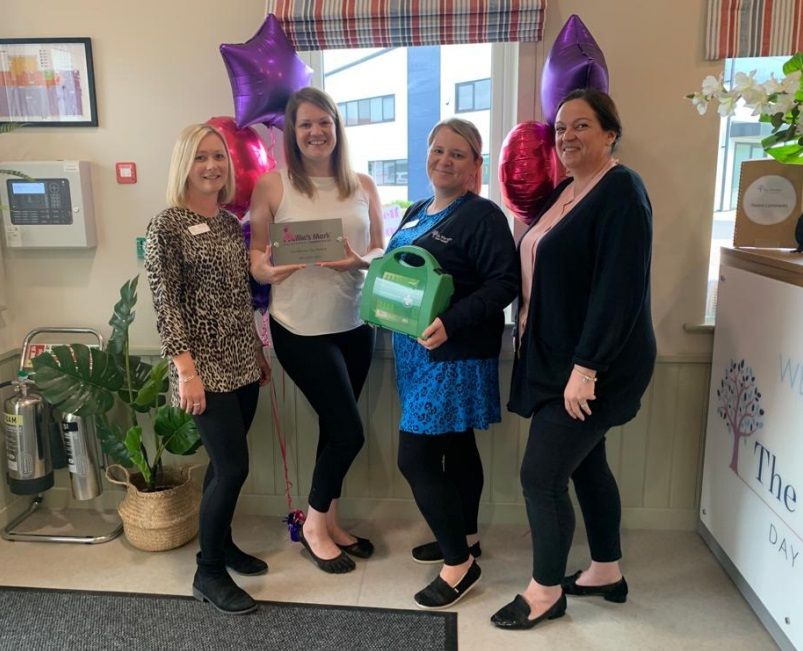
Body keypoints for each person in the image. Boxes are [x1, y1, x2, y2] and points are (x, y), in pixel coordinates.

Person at [491, 89, 656, 630]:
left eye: (581, 125)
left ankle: (545, 593)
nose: (567, 136)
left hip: (595, 366)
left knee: (540, 477)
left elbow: (618, 290)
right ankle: (606, 569)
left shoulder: (622, 191)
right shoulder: (568, 189)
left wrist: (586, 369)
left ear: (610, 133)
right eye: (561, 128)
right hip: (557, 361)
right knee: (586, 465)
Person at [249, 87, 384, 574]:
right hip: (299, 328)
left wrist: (358, 261)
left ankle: (330, 523)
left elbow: (380, 249)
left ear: (336, 127)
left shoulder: (363, 184)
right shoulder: (272, 185)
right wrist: (268, 271)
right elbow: (256, 255)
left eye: (324, 122)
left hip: (354, 324)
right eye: (305, 124)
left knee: (334, 427)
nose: (315, 132)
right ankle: (312, 526)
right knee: (348, 431)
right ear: (292, 132)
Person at [387, 118, 518, 609]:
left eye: (458, 154)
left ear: (475, 165)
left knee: (415, 458)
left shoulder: (482, 216)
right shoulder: (417, 211)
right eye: (438, 150)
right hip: (415, 352)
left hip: (452, 353)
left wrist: (451, 322)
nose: (444, 160)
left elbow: (504, 284)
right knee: (457, 446)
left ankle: (459, 565)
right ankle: (464, 536)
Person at [145, 123, 272, 615]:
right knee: (234, 467)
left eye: (218, 156)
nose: (212, 165)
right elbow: (167, 306)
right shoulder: (167, 226)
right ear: (184, 164)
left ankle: (224, 544)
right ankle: (209, 571)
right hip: (203, 369)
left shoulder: (227, 223)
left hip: (242, 361)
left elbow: (239, 297)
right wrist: (186, 371)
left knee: (224, 467)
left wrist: (256, 350)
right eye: (200, 157)